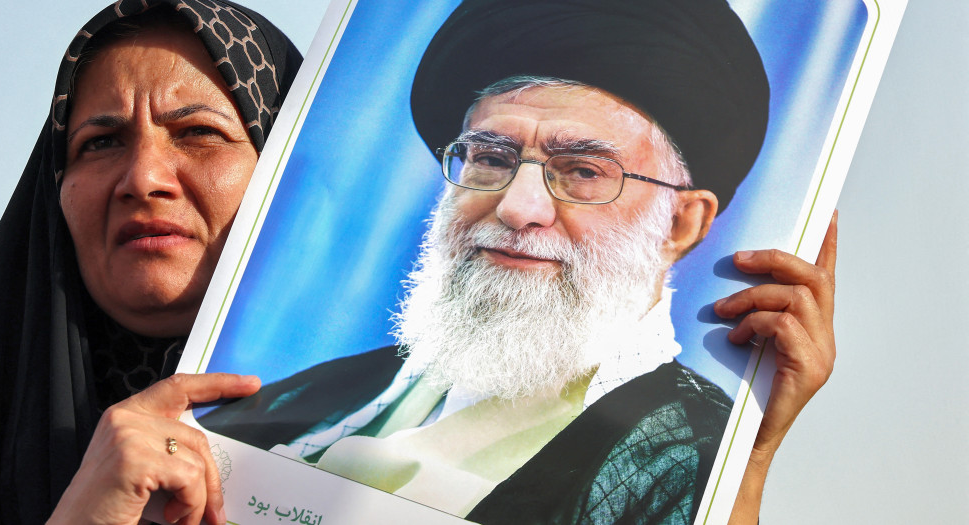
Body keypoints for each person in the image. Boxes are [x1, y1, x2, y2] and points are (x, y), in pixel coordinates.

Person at [199, 0, 837, 523]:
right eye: (491, 158)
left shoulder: (691, 455)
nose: (517, 206)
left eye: (582, 170)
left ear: (681, 223)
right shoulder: (314, 397)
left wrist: (742, 472)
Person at [0, 2, 301, 525]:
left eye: (198, 132)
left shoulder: (371, 441)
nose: (142, 179)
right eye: (101, 142)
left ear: (287, 166)